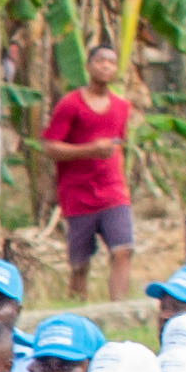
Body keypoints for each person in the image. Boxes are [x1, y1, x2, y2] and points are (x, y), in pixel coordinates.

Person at [46, 44, 139, 300]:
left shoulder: (122, 107)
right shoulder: (70, 105)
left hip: (113, 191)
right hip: (78, 194)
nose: (106, 66)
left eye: (111, 61)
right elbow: (51, 147)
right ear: (88, 66)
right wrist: (89, 150)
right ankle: (78, 309)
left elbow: (120, 143)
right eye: (100, 60)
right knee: (79, 264)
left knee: (123, 250)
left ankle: (117, 309)